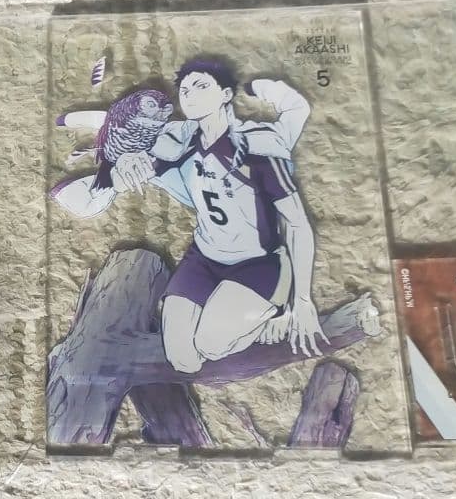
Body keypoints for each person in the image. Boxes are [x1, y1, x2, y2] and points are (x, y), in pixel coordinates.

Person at [105, 58, 326, 372]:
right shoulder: (180, 141)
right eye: (185, 90)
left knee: (211, 344)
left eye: (201, 85)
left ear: (225, 94)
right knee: (184, 360)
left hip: (258, 263)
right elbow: (132, 159)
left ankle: (271, 313)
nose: (191, 94)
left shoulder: (258, 146)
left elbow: (297, 223)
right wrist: (127, 161)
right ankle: (244, 319)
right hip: (204, 258)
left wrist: (301, 301)